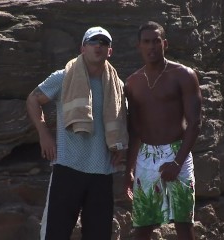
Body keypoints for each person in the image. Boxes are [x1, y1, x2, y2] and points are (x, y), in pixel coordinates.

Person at [26, 26, 128, 240]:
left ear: (110, 51)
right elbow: (33, 99)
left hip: (101, 171)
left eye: (104, 42)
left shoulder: (117, 86)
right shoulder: (64, 77)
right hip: (67, 167)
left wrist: (121, 146)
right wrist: (44, 135)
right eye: (93, 42)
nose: (98, 46)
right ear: (83, 48)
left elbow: (121, 121)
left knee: (98, 235)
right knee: (56, 234)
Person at [124, 21, 202, 240]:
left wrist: (177, 162)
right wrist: (128, 170)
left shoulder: (184, 75)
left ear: (164, 43)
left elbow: (195, 123)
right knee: (143, 225)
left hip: (178, 151)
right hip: (146, 156)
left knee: (184, 223)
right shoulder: (132, 83)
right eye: (146, 42)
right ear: (138, 46)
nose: (152, 47)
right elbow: (135, 130)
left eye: (156, 41)